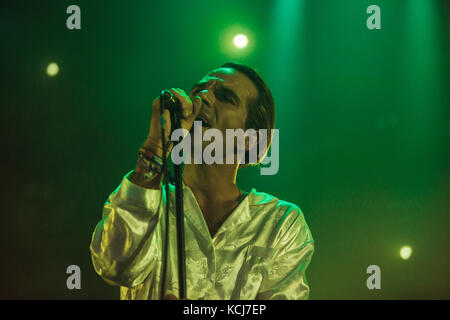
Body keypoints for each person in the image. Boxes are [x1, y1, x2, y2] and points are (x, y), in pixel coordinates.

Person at [90, 62, 314, 300]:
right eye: (198, 91)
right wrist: (156, 143)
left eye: (225, 97)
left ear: (250, 139)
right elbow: (114, 266)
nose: (203, 98)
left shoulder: (279, 221)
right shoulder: (146, 198)